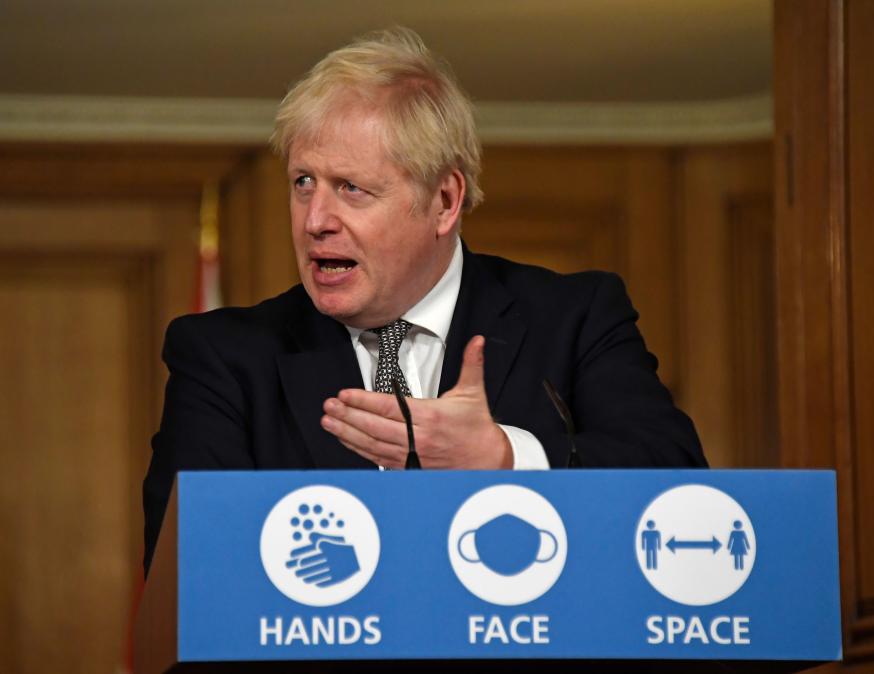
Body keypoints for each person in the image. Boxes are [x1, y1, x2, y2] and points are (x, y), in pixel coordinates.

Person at [142, 27, 706, 574]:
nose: (314, 221)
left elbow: (677, 487)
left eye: (350, 188)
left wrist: (505, 460)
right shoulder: (223, 358)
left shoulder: (575, 318)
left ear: (444, 200)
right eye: (303, 183)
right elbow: (189, 577)